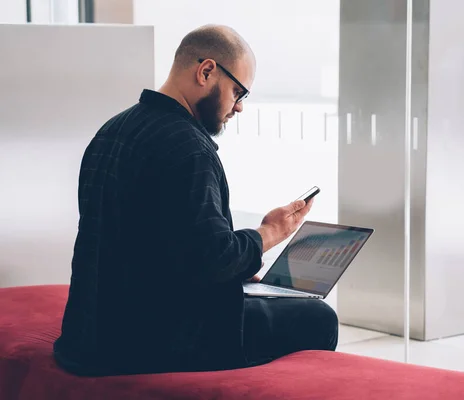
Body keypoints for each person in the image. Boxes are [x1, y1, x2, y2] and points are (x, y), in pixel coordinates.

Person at [53, 24, 338, 376]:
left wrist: (244, 258)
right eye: (238, 91)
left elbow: (161, 245)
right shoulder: (188, 148)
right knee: (319, 318)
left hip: (90, 335)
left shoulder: (113, 129)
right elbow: (213, 260)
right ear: (206, 71)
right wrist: (269, 232)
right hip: (154, 343)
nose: (240, 107)